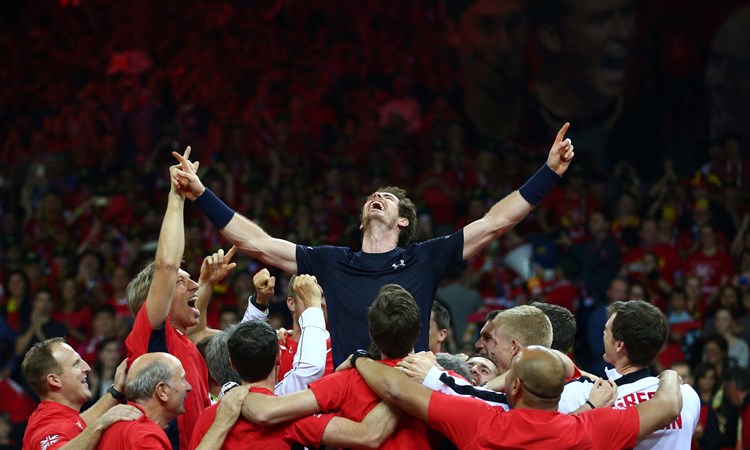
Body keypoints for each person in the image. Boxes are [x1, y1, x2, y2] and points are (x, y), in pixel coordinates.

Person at [172, 123, 575, 365]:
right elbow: (257, 243)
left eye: (389, 197)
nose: (376, 197)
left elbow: (495, 223)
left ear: (403, 220)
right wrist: (202, 193)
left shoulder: (425, 258)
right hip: (351, 390)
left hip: (408, 392)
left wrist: (549, 172)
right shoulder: (331, 262)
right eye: (372, 196)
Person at [355, 344, 683, 449]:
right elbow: (668, 405)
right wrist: (669, 375)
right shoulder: (592, 428)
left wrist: (360, 359)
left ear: (514, 387)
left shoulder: (480, 421)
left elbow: (395, 388)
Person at [125, 148, 236, 450]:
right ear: (157, 294)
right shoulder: (150, 332)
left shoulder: (180, 339)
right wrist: (177, 196)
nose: (194, 286)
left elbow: (197, 330)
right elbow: (167, 264)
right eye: (182, 281)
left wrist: (208, 283)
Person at [238, 284, 438, 448]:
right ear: (419, 330)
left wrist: (234, 394)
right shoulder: (440, 380)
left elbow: (266, 411)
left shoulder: (345, 379)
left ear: (371, 333)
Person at [188, 319, 399, 450]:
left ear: (232, 363)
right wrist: (404, 387)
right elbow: (368, 434)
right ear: (279, 358)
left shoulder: (208, 419)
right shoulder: (290, 419)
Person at [559, 300, 700, 449]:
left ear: (619, 345)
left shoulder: (586, 396)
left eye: (606, 330)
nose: (603, 334)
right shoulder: (686, 395)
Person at [98, 352, 245, 450]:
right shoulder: (144, 436)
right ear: (162, 391)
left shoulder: (115, 427)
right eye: (182, 379)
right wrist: (221, 423)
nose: (189, 387)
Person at [21, 337, 142, 450]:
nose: (87, 367)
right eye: (76, 364)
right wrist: (99, 425)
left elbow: (79, 425)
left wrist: (116, 391)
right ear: (54, 380)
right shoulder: (45, 425)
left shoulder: (59, 415)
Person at [242, 269, 334, 384]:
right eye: (309, 295)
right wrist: (260, 301)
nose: (318, 302)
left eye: (322, 296)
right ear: (291, 303)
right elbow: (241, 355)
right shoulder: (273, 347)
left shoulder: (340, 351)